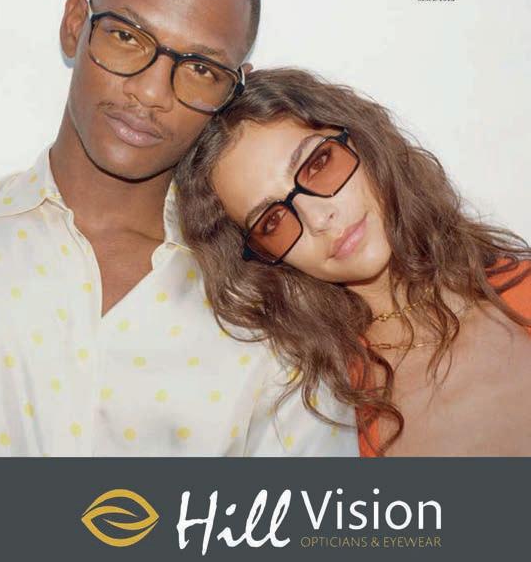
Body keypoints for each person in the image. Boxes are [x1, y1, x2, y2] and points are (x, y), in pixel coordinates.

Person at [0, 0, 358, 457]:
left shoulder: (274, 320)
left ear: (232, 90)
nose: (150, 92)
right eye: (126, 36)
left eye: (200, 68)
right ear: (75, 25)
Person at [175, 67, 531, 456]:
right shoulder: (320, 411)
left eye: (317, 164)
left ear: (362, 139)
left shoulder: (520, 289)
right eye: (272, 221)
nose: (318, 218)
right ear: (264, 259)